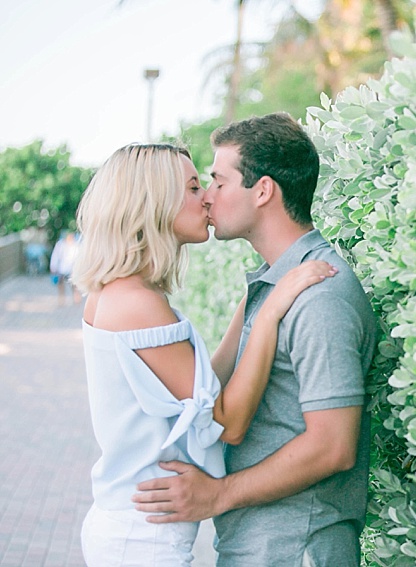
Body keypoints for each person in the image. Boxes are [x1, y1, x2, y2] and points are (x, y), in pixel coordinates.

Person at [72, 143, 337, 567]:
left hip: (132, 528)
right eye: (194, 187)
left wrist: (253, 302)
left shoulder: (118, 291)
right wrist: (268, 317)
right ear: (154, 203)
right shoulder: (137, 304)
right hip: (142, 539)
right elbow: (226, 422)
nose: (208, 197)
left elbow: (197, 393)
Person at [133, 113, 378, 566]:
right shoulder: (275, 287)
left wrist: (218, 495)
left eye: (218, 182)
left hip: (296, 548)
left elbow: (333, 446)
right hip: (263, 545)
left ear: (262, 190)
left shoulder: (318, 296)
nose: (206, 197)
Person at [50, 230, 82, 304]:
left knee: (75, 285)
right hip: (62, 269)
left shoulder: (76, 245)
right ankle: (61, 300)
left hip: (73, 269)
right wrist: (53, 267)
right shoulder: (60, 244)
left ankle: (76, 299)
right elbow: (55, 256)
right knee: (61, 285)